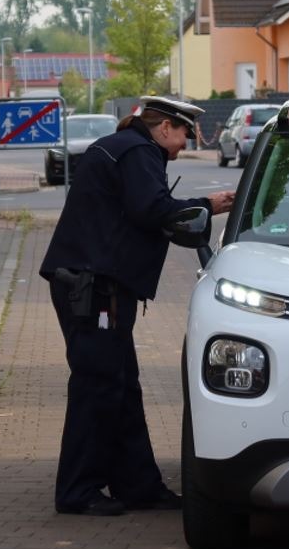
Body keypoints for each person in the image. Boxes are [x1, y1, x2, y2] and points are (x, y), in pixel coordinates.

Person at [39, 97, 236, 517]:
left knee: (121, 385)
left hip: (95, 284)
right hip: (95, 289)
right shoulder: (138, 151)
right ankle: (78, 491)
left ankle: (139, 486)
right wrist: (208, 205)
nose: (185, 144)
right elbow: (153, 211)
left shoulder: (124, 146)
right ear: (164, 127)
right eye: (184, 133)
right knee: (98, 388)